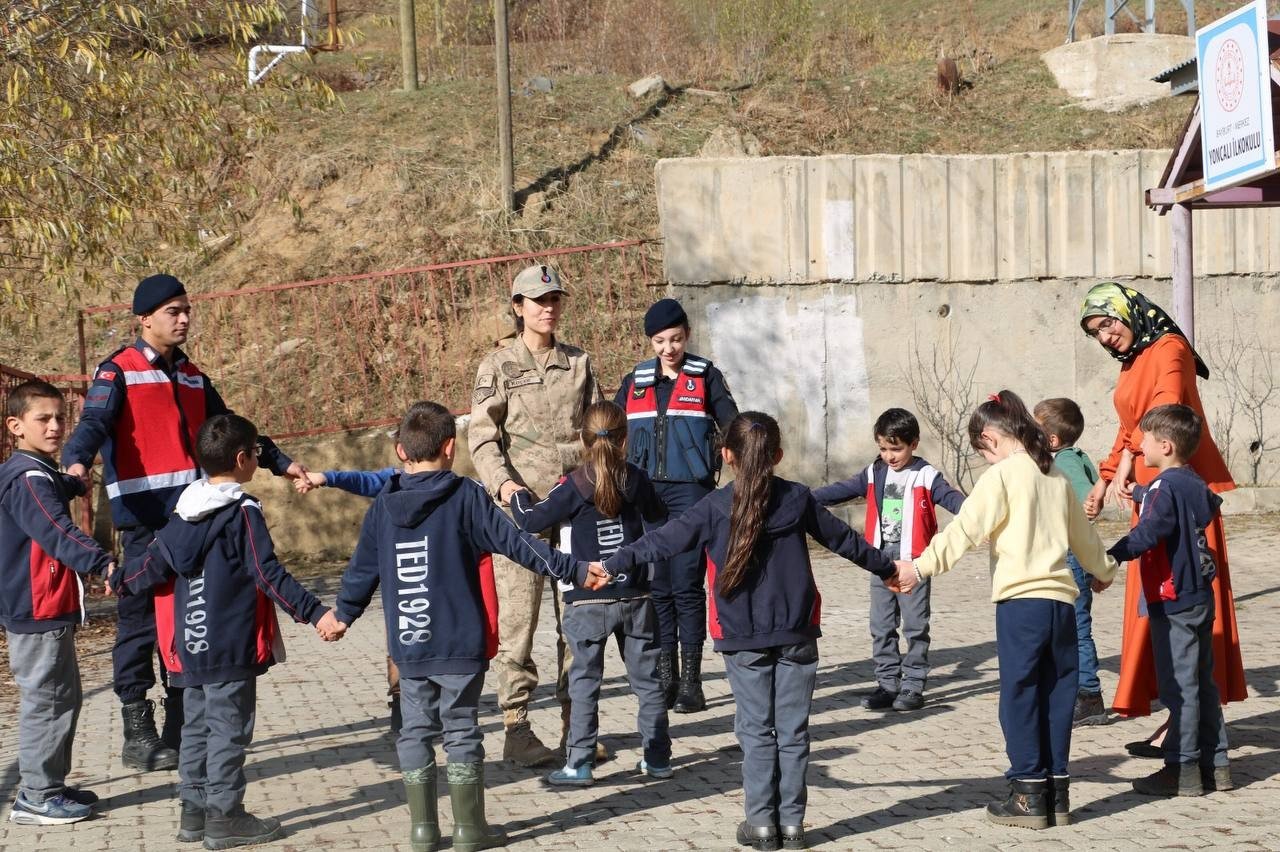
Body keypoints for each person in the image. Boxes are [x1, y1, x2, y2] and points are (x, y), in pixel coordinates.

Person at [593, 411, 897, 852]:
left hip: (743, 638)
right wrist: (890, 569)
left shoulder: (714, 506)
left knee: (756, 733)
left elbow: (662, 541)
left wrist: (609, 564)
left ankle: (760, 826)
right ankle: (792, 826)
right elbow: (845, 542)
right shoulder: (797, 498)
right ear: (777, 455)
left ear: (726, 455)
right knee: (793, 733)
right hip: (796, 633)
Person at [62, 273, 308, 771]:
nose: (184, 318)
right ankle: (137, 727)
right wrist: (74, 462)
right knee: (138, 624)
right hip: (147, 523)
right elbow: (93, 424)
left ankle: (180, 723)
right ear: (144, 318)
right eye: (173, 310)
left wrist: (279, 461)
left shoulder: (194, 376)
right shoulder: (119, 371)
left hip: (196, 518)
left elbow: (230, 429)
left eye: (186, 309)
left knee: (190, 618)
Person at [328, 401, 594, 852]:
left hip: (409, 643)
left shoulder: (382, 509)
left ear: (399, 451)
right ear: (451, 448)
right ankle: (470, 830)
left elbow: (360, 574)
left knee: (414, 730)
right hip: (460, 645)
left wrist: (340, 616)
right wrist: (574, 569)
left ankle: (422, 831)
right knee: (461, 729)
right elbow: (519, 545)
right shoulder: (467, 497)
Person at [112, 414, 340, 849]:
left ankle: (193, 813)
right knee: (229, 731)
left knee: (195, 729)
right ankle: (225, 816)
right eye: (256, 453)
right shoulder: (241, 512)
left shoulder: (180, 513)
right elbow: (266, 571)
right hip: (230, 645)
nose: (257, 458)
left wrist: (117, 578)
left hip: (189, 647)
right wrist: (314, 613)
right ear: (241, 459)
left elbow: (150, 565)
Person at [891, 391, 1117, 830]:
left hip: (1021, 606)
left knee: (1019, 697)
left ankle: (1029, 793)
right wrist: (1103, 569)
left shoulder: (1002, 477)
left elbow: (965, 529)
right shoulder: (1053, 476)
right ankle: (1058, 792)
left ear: (991, 438)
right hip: (1061, 605)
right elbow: (1083, 536)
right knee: (1057, 696)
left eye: (981, 452)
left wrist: (918, 568)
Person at [1078, 283, 1247, 756]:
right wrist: (1105, 477)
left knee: (1185, 607)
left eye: (1107, 324)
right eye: (1096, 333)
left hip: (1178, 490)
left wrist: (1130, 466)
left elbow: (1164, 411)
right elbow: (1129, 424)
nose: (1105, 337)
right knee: (1158, 610)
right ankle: (1177, 719)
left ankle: (1196, 732)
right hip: (1148, 492)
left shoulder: (1170, 348)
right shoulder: (1133, 362)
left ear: (1129, 312)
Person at [468, 263, 605, 767]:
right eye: (537, 300)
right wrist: (504, 486)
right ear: (518, 306)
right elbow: (482, 435)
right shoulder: (498, 364)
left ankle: (578, 724)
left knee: (578, 619)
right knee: (519, 623)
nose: (548, 308)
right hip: (520, 514)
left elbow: (600, 429)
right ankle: (517, 728)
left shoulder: (579, 362)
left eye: (554, 299)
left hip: (574, 510)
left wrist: (601, 481)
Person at [510, 401, 671, 787]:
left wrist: (515, 492)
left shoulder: (573, 485)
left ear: (582, 439)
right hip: (635, 595)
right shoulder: (637, 478)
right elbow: (660, 519)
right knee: (647, 681)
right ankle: (658, 759)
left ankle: (579, 764)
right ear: (625, 439)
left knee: (584, 683)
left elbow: (529, 519)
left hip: (587, 598)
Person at [614, 298, 738, 713]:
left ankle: (692, 682)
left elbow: (734, 425)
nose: (669, 348)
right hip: (647, 494)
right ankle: (665, 678)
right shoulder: (635, 381)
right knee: (659, 587)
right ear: (650, 341)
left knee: (686, 585)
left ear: (687, 336)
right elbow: (608, 430)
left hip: (691, 493)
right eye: (660, 341)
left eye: (676, 339)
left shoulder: (706, 377)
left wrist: (743, 458)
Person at [1, 380, 114, 826]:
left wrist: (69, 482)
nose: (54, 427)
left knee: (62, 698)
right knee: (47, 700)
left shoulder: (31, 472)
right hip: (37, 607)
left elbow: (47, 493)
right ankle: (36, 796)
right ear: (15, 426)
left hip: (46, 605)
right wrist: (102, 563)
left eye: (59, 418)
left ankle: (49, 784)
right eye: (42, 419)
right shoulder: (29, 478)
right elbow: (55, 530)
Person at [1107, 404, 1232, 797]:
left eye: (1144, 438)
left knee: (1180, 688)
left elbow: (1151, 531)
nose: (1138, 444)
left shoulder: (1166, 487)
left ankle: (1183, 770)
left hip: (1172, 598)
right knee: (1202, 683)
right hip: (1199, 598)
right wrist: (1143, 492)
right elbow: (1196, 505)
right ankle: (1218, 766)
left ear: (1165, 445)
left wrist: (1110, 557)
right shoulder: (1190, 481)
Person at [813, 407, 964, 713]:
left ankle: (913, 684)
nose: (889, 456)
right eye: (883, 448)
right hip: (880, 562)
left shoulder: (926, 475)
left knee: (915, 626)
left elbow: (952, 499)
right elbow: (839, 491)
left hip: (914, 562)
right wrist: (800, 497)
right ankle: (887, 683)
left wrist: (978, 514)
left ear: (914, 444)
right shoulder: (874, 472)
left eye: (896, 449)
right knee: (881, 625)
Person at [1033, 397, 1107, 728]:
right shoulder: (1070, 456)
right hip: (1073, 553)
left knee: (1076, 626)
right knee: (1066, 625)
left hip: (1073, 556)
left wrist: (1088, 504)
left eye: (1035, 429)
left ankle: (1089, 694)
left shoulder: (1065, 461)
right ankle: (1071, 687)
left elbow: (1085, 496)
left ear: (1051, 439)